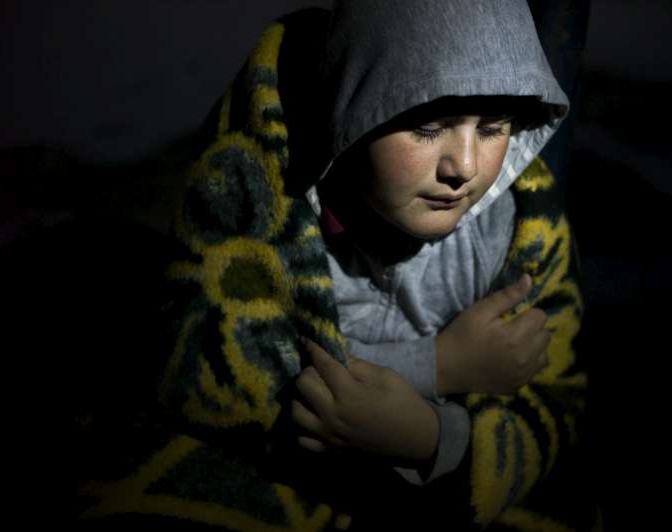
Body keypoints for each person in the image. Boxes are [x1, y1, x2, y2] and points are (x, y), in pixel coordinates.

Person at [78, 1, 592, 530]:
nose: (464, 166)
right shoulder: (259, 192)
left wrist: (436, 441)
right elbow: (206, 364)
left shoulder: (519, 229)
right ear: (354, 104)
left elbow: (556, 402)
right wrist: (438, 366)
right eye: (426, 125)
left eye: (493, 128)